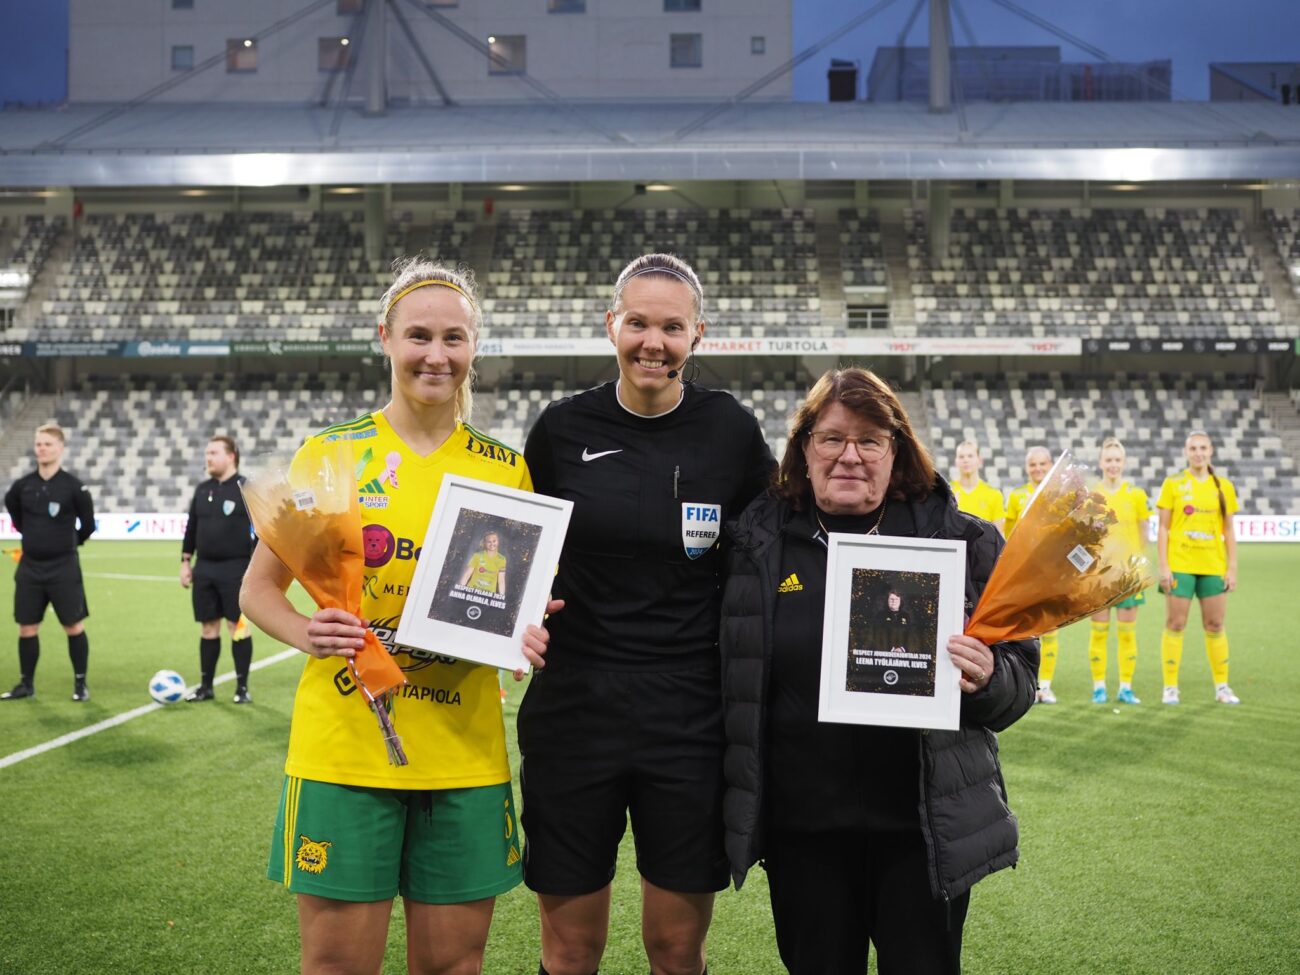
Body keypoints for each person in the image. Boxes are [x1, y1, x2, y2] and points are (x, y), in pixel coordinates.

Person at [239, 258, 559, 975]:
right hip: (344, 750)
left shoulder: (505, 470)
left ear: (475, 346)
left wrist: (530, 629)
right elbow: (258, 590)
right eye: (419, 335)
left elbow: (524, 601)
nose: (436, 355)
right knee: (336, 966)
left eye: (454, 338)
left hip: (463, 754)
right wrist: (304, 630)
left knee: (452, 967)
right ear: (385, 337)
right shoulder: (332, 454)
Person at [720, 368, 1038, 975]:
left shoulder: (961, 541)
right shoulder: (756, 544)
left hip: (919, 832)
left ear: (897, 451)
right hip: (803, 830)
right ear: (804, 448)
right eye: (832, 438)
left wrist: (987, 677)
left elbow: (1019, 680)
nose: (850, 456)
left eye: (870, 440)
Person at [518, 253, 775, 975]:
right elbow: (512, 547)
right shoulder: (562, 429)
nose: (652, 342)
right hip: (574, 709)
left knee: (675, 947)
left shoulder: (731, 430)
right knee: (570, 950)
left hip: (690, 717)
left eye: (671, 326)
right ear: (612, 325)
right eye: (637, 323)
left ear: (699, 334)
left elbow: (773, 544)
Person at [2, 423, 95, 702]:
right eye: (39, 444)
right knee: (27, 627)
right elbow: (16, 516)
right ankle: (26, 684)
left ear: (60, 448)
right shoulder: (22, 486)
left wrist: (68, 543)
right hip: (30, 567)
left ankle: (80, 684)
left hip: (63, 567)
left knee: (73, 626)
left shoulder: (74, 487)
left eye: (47, 444)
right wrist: (34, 536)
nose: (41, 449)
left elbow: (88, 525)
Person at [1156, 430, 1239, 706]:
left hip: (1213, 566)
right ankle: (1170, 687)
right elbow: (1164, 528)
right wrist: (1164, 566)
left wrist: (1232, 567)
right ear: (1186, 452)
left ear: (1211, 451)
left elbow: (1229, 529)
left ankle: (1222, 687)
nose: (1199, 452)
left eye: (1203, 448)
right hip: (1180, 564)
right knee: (1175, 624)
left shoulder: (1223, 486)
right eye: (1193, 448)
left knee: (1215, 624)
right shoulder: (1173, 483)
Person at [180, 435, 256, 704]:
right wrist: (185, 562)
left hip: (237, 570)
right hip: (205, 569)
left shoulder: (247, 488)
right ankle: (205, 687)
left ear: (231, 456)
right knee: (208, 627)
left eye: (213, 452)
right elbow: (191, 528)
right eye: (207, 453)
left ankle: (242, 688)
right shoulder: (202, 489)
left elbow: (261, 533)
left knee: (238, 627)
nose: (208, 458)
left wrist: (255, 570)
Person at [1088, 437, 1151, 705]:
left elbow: (1143, 532)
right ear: (1101, 462)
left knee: (1127, 632)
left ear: (1123, 463)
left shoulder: (1136, 494)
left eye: (1117, 460)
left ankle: (1126, 687)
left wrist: (1137, 562)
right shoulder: (1093, 494)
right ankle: (1099, 687)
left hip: (1128, 574)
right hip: (1101, 574)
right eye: (1108, 459)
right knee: (1099, 631)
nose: (1112, 464)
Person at [1004, 445, 1062, 703]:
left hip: (1052, 571)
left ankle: (1045, 685)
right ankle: (1027, 682)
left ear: (1051, 465)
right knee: (1024, 629)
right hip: (1024, 573)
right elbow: (1008, 538)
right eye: (1033, 465)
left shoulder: (1062, 496)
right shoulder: (1017, 497)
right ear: (1027, 468)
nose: (1038, 469)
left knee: (1050, 629)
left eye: (1042, 464)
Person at [951, 440, 1004, 535]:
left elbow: (999, 536)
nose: (965, 460)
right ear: (956, 462)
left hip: (983, 548)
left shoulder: (994, 494)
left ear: (980, 461)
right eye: (961, 457)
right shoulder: (949, 493)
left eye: (970, 456)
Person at [462, 530, 506, 596]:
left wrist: (502, 596)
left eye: (494, 541)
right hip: (472, 591)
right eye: (489, 542)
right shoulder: (477, 556)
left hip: (489, 594)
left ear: (498, 542)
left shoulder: (502, 559)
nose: (492, 544)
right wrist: (460, 589)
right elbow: (467, 574)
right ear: (485, 543)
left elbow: (501, 580)